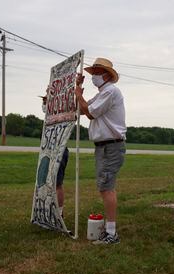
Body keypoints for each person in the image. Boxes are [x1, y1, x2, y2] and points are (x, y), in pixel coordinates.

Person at [75, 58, 126, 245]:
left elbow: (90, 113)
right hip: (104, 146)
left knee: (106, 188)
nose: (93, 77)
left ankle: (111, 233)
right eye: (93, 73)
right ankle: (109, 230)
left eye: (96, 73)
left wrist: (78, 94)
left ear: (106, 75)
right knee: (105, 187)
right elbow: (81, 109)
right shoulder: (102, 92)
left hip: (110, 146)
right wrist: (78, 88)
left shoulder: (110, 91)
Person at [41, 94, 69, 218]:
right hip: (49, 149)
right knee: (47, 182)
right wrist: (46, 101)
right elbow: (45, 110)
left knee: (57, 183)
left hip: (60, 149)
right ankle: (50, 210)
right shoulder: (51, 111)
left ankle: (59, 212)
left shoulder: (64, 108)